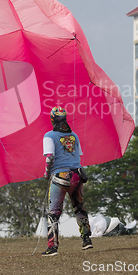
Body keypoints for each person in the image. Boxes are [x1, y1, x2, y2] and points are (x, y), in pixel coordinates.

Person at [41, 106, 93, 256]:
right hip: (77, 176)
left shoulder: (49, 136)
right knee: (79, 208)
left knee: (54, 213)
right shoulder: (74, 136)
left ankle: (52, 247)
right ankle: (86, 240)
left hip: (60, 176)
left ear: (52, 120)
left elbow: (50, 157)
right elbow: (78, 156)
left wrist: (46, 173)